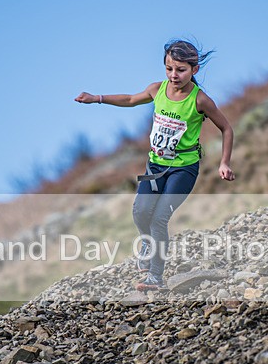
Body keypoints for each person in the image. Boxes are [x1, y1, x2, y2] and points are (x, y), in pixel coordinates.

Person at [75, 39, 235, 291]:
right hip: (155, 165)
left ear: (194, 70)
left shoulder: (200, 100)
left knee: (160, 218)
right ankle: (147, 244)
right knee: (140, 212)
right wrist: (97, 98)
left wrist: (224, 162)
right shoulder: (156, 89)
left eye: (180, 70)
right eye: (169, 68)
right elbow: (129, 99)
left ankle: (156, 278)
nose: (174, 75)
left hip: (184, 168)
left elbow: (226, 128)